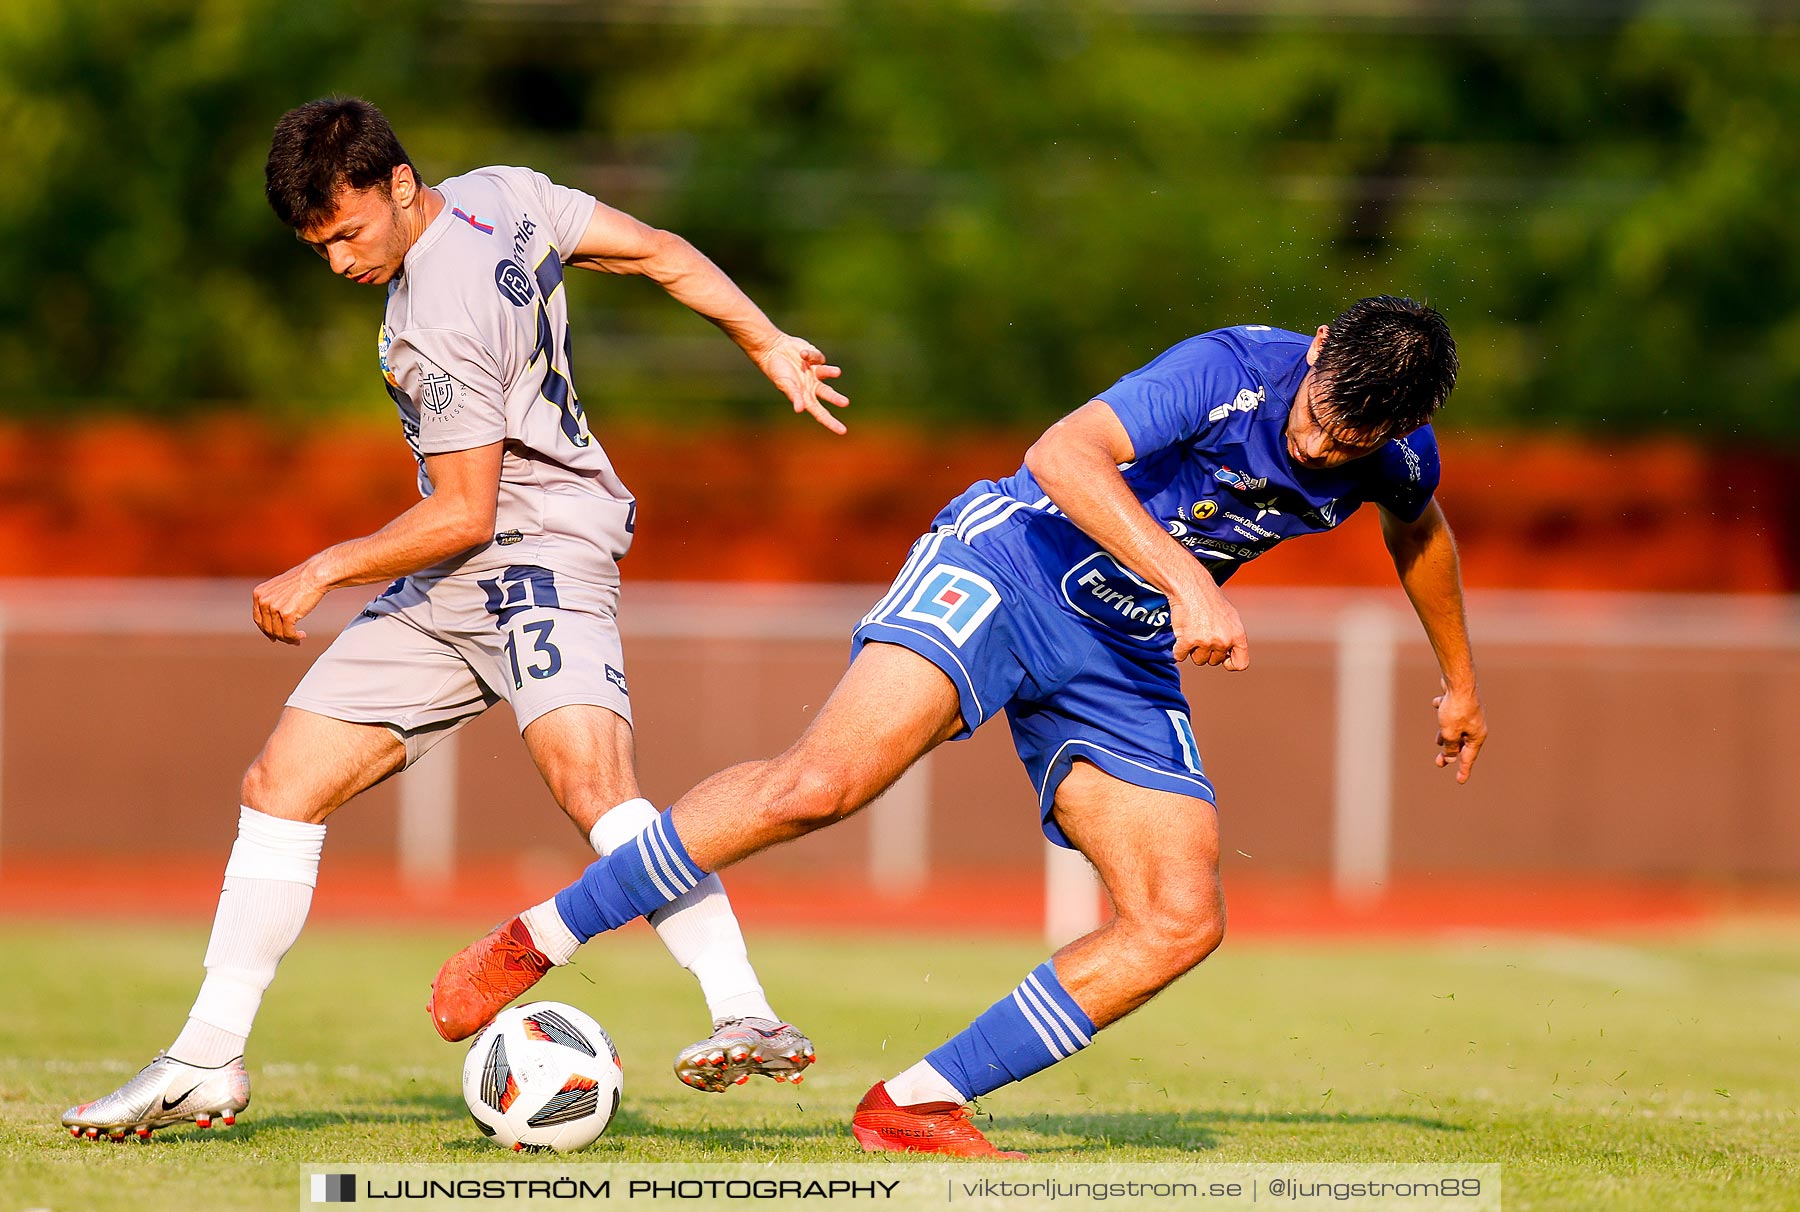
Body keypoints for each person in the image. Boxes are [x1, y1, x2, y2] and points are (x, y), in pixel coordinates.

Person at [431, 296, 1487, 1157]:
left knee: (1180, 917)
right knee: (821, 787)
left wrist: (1458, 682)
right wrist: (1189, 585)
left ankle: (916, 1104)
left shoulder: (1395, 458)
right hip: (1009, 564)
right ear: (1316, 352)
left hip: (1120, 652)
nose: (1315, 443)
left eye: (1344, 441)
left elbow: (1421, 533)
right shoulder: (1228, 370)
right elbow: (1063, 456)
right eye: (1315, 416)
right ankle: (541, 937)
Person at [60, 97, 845, 1141]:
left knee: (592, 784)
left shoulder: (441, 311)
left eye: (347, 234)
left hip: (537, 550)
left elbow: (464, 508)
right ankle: (205, 1058)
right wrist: (767, 340)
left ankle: (742, 1007)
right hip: (457, 572)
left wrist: (321, 568)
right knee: (281, 784)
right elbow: (657, 252)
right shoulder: (505, 195)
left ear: (397, 185)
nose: (338, 263)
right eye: (317, 247)